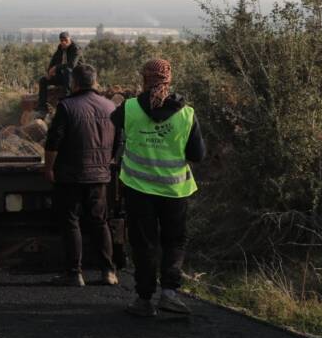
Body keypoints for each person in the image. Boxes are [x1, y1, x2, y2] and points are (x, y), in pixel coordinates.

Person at [112, 58, 205, 317]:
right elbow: (197, 155)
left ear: (144, 79)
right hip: (175, 191)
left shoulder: (128, 108)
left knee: (144, 243)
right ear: (169, 79)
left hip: (138, 189)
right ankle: (170, 294)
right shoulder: (187, 113)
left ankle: (143, 299)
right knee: (174, 241)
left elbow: (114, 130)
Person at [44, 63, 119, 287]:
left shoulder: (67, 106)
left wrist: (49, 168)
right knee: (99, 222)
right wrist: (107, 162)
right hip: (99, 175)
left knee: (71, 222)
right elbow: (118, 141)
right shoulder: (110, 107)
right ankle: (108, 272)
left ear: (74, 83)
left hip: (70, 175)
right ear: (95, 82)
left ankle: (74, 273)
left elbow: (53, 141)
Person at [37, 31, 80, 112]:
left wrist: (56, 68)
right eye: (61, 40)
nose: (63, 42)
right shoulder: (60, 48)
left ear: (69, 39)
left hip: (75, 77)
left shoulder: (75, 48)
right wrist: (49, 72)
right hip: (64, 77)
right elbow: (53, 61)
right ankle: (42, 107)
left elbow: (72, 65)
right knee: (43, 80)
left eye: (65, 40)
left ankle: (67, 102)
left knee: (68, 71)